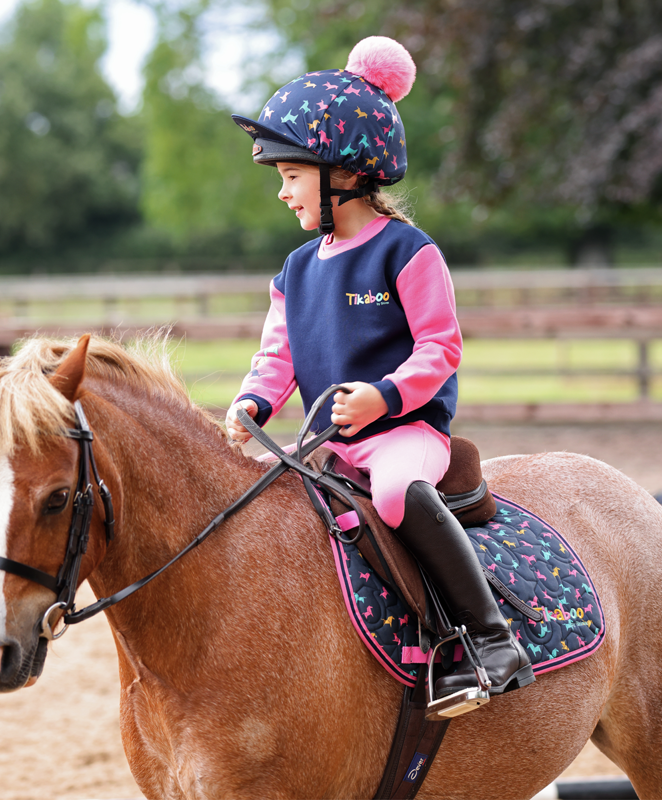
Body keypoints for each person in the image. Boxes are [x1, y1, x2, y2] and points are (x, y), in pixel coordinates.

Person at [225, 36, 533, 705]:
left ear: (343, 171)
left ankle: (488, 639)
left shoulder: (408, 252)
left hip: (402, 432)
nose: (282, 193)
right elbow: (276, 356)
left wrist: (382, 398)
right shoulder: (295, 271)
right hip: (328, 441)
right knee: (266, 504)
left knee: (394, 495)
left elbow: (440, 350)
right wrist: (252, 402)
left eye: (291, 176)